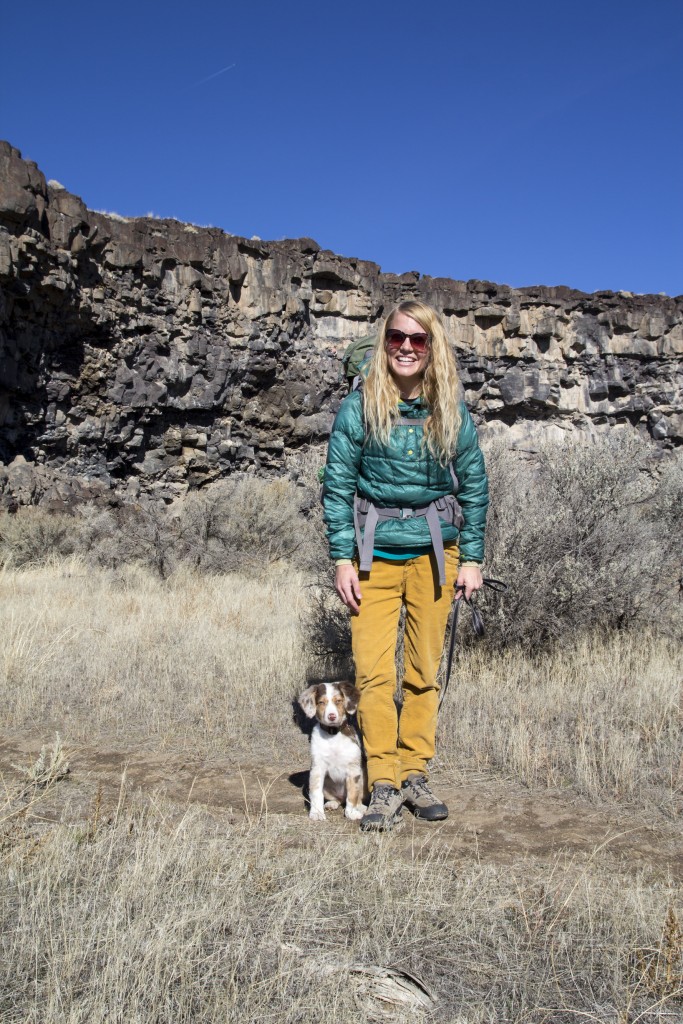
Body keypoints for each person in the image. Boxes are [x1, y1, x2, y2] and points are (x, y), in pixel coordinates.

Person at [322, 299, 489, 832]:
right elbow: (337, 487)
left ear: (432, 347)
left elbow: (476, 486)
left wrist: (475, 558)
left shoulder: (450, 409)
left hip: (437, 555)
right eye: (397, 338)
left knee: (421, 672)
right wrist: (342, 558)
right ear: (384, 342)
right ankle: (384, 783)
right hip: (374, 557)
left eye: (419, 340)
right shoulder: (359, 408)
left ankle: (415, 774)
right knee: (373, 674)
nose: (407, 348)